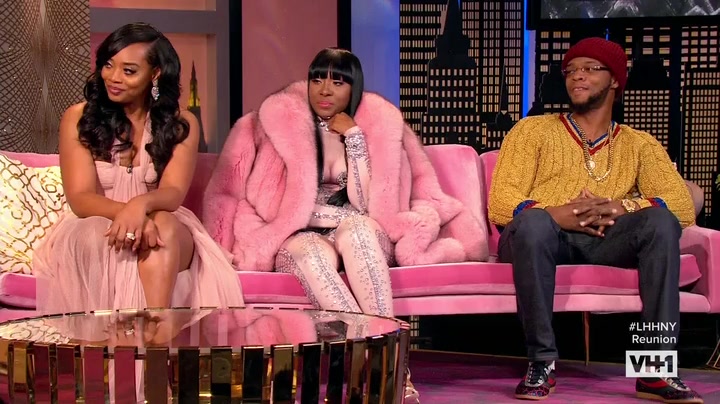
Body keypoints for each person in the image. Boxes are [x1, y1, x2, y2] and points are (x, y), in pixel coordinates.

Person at [203, 47, 489, 403]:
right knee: (309, 251)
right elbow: (229, 190)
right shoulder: (272, 125)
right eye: (317, 79)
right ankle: (386, 365)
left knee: (357, 231)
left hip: (361, 226)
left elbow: (368, 204)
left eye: (337, 82)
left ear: (354, 88)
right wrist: (219, 243)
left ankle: (386, 367)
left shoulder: (377, 126)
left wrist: (354, 137)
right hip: (299, 233)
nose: (324, 90)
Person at [488, 37, 703, 403]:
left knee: (661, 223)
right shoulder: (532, 131)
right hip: (540, 238)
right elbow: (501, 202)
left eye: (590, 68)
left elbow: (681, 205)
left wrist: (619, 208)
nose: (577, 76)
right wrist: (556, 213)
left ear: (615, 80)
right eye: (571, 70)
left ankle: (654, 369)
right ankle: (542, 363)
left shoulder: (639, 144)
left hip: (605, 240)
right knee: (534, 224)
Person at [32, 23, 245, 317]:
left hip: (159, 218)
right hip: (96, 219)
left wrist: (140, 206)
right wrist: (128, 215)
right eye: (108, 65)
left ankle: (157, 329)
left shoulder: (181, 123)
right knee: (93, 235)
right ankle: (102, 340)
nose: (113, 77)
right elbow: (80, 198)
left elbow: (172, 193)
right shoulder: (79, 117)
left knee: (163, 228)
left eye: (129, 71)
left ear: (154, 74)